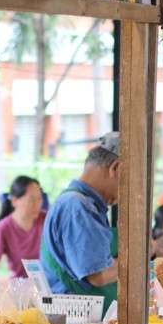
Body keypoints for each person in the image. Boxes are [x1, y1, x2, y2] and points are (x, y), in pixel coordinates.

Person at [40, 132, 120, 309]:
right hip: (78, 320)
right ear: (114, 168)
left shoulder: (82, 204)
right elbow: (99, 275)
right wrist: (140, 260)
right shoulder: (78, 207)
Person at [0, 175, 47, 278]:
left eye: (39, 199)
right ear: (15, 201)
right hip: (20, 285)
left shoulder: (47, 220)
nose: (37, 204)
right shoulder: (3, 228)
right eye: (31, 200)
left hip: (48, 284)